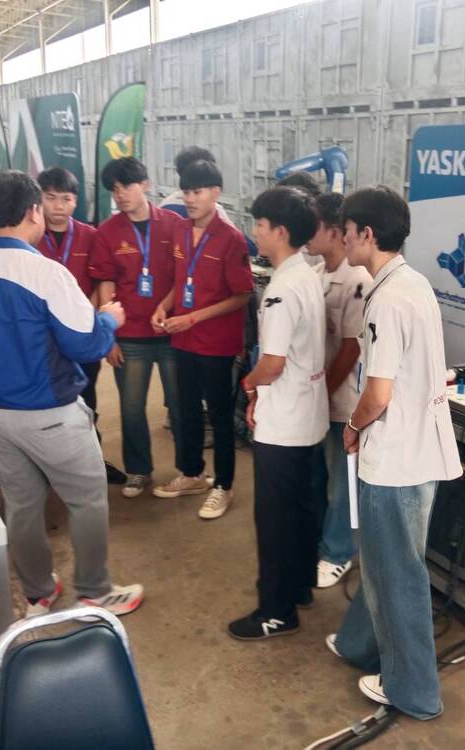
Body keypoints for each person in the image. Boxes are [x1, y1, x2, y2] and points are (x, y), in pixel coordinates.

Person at [0, 169, 144, 618]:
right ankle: (95, 590)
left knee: (21, 504)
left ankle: (38, 592)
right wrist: (109, 320)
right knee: (87, 499)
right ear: (34, 211)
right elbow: (85, 345)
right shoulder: (47, 273)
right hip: (49, 412)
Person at [328, 186, 460, 719]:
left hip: (396, 460)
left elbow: (377, 394)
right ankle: (360, 644)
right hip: (417, 450)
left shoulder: (385, 299)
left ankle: (414, 691)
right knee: (386, 562)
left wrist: (353, 426)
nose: (341, 239)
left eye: (346, 230)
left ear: (367, 234)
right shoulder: (413, 283)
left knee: (398, 573)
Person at [228, 187, 328, 640]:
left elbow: (272, 364)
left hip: (284, 423)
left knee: (274, 521)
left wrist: (248, 385)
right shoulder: (306, 273)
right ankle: (300, 586)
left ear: (281, 232)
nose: (255, 232)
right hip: (307, 416)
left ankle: (276, 610)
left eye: (260, 225)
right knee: (302, 509)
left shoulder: (282, 289)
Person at [153, 159, 254, 519]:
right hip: (183, 340)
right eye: (186, 192)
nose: (190, 199)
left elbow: (242, 295)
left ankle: (223, 485)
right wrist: (164, 307)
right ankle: (193, 473)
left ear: (215, 192)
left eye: (197, 192)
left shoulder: (231, 239)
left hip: (216, 344)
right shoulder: (180, 231)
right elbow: (180, 281)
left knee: (221, 417)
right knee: (187, 410)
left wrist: (193, 317)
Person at [90, 157, 185, 497]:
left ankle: (189, 469)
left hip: (170, 332)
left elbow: (183, 276)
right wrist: (109, 337)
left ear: (145, 184)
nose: (121, 194)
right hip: (129, 337)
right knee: (131, 408)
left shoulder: (173, 225)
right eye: (114, 189)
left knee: (181, 405)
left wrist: (166, 307)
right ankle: (138, 470)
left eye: (127, 186)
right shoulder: (107, 232)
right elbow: (105, 283)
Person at [35, 167, 126, 485]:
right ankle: (47, 467)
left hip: (82, 334)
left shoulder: (90, 235)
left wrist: (85, 318)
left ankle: (92, 461)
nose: (58, 206)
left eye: (66, 199)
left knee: (86, 399)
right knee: (47, 402)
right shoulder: (31, 236)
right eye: (50, 198)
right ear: (39, 200)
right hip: (43, 339)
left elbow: (101, 281)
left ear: (76, 201)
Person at [307, 192, 371, 588]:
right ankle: (322, 540)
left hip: (343, 399)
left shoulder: (358, 280)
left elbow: (351, 347)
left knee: (344, 482)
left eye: (312, 226)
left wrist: (322, 393)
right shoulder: (316, 274)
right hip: (317, 397)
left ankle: (338, 552)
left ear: (334, 231)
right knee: (320, 477)